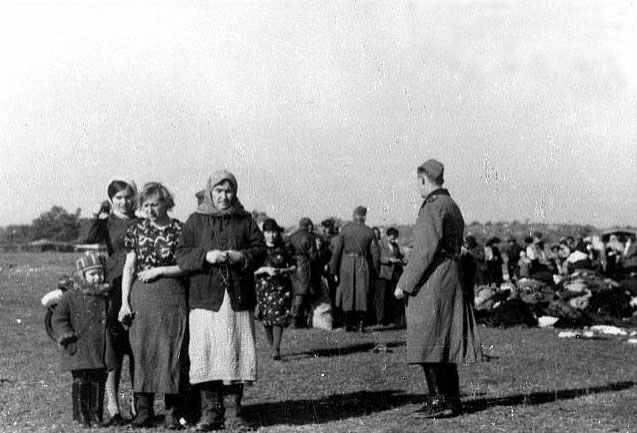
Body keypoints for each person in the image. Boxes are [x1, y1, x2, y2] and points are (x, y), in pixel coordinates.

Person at [175, 170, 266, 432]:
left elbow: (260, 250)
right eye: (218, 191)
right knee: (207, 353)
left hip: (236, 297)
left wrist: (241, 257)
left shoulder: (245, 219)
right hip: (205, 298)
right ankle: (210, 413)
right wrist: (206, 256)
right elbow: (181, 254)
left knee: (234, 351)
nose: (224, 196)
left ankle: (234, 414)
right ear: (209, 192)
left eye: (228, 191)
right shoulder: (195, 220)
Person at [394, 159, 482, 418]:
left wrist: (404, 284)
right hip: (449, 275)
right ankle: (449, 400)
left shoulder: (432, 206)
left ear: (423, 179)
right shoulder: (451, 204)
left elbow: (424, 251)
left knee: (428, 338)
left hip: (432, 279)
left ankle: (440, 400)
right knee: (442, 339)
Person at [117, 183, 187, 429]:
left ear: (166, 203)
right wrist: (124, 302)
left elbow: (188, 265)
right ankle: (144, 411)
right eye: (145, 205)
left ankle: (173, 411)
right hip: (142, 298)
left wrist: (159, 270)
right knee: (142, 351)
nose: (150, 209)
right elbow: (129, 267)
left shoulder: (180, 229)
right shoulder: (136, 230)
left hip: (171, 295)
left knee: (172, 351)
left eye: (154, 204)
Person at [84, 179, 139, 426]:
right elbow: (87, 236)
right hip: (114, 285)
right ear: (111, 200)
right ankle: (113, 406)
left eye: (128, 197)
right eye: (118, 198)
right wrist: (98, 214)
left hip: (139, 284)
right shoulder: (106, 224)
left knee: (137, 346)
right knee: (113, 347)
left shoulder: (141, 221)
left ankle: (138, 404)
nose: (124, 202)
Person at [52, 253, 112, 427]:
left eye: (100, 273)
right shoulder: (70, 297)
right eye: (92, 274)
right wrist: (66, 334)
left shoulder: (104, 296)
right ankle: (81, 416)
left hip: (99, 347)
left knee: (98, 381)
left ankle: (95, 415)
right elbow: (59, 319)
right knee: (81, 380)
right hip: (78, 346)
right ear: (82, 275)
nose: (97, 278)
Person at [329, 206, 380, 332]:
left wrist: (333, 270)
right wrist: (376, 270)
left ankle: (347, 324)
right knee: (362, 294)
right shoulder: (369, 232)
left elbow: (336, 252)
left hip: (346, 264)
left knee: (347, 293)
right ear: (364, 216)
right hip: (362, 263)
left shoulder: (345, 230)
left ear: (353, 215)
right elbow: (375, 254)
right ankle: (361, 325)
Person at [254, 218, 296, 361]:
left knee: (278, 318)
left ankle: (276, 349)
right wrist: (265, 269)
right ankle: (273, 346)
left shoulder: (284, 248)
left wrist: (283, 270)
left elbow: (293, 266)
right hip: (264, 288)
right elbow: (251, 270)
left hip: (281, 287)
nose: (271, 235)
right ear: (263, 233)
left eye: (274, 232)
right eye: (268, 232)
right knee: (267, 319)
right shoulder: (258, 250)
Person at [287, 217, 319, 328]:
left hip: (293, 266)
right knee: (302, 294)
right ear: (308, 225)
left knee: (297, 293)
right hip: (304, 266)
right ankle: (298, 319)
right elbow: (313, 255)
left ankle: (295, 319)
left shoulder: (292, 236)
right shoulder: (309, 237)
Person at [377, 227, 406, 327]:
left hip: (394, 275)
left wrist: (402, 260)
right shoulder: (380, 244)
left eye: (395, 238)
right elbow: (378, 258)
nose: (394, 240)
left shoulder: (396, 246)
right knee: (383, 298)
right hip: (384, 274)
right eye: (392, 238)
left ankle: (393, 319)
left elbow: (399, 256)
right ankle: (383, 320)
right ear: (387, 236)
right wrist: (389, 260)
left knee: (392, 298)